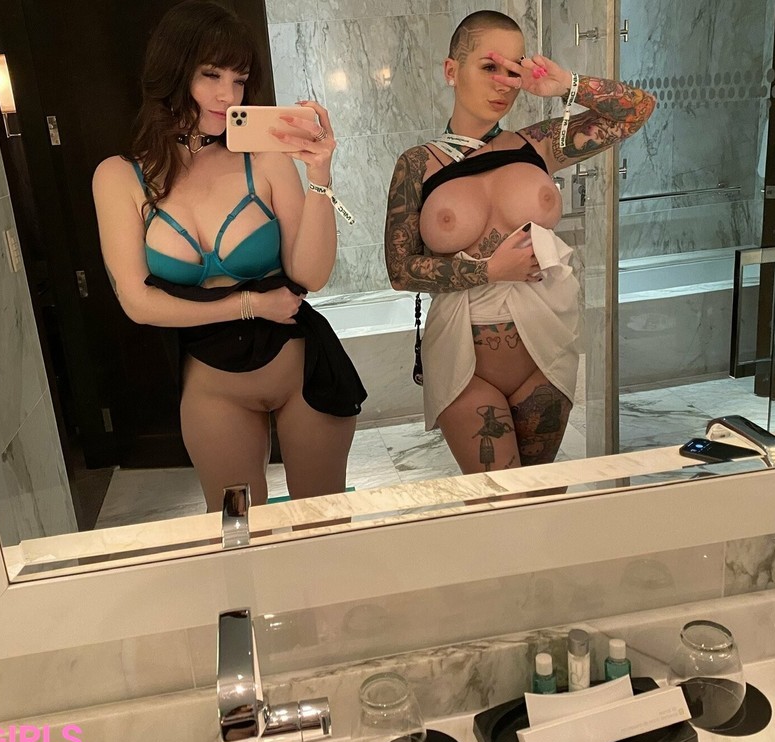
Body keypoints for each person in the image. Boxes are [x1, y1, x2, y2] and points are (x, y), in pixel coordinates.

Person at [93, 0, 364, 511]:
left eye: (239, 80)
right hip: (213, 385)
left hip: (302, 372)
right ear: (173, 72)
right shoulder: (119, 177)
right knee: (237, 528)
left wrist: (319, 176)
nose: (228, 95)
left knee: (323, 520)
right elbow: (138, 302)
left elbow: (312, 274)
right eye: (211, 74)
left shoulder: (264, 158)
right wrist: (249, 304)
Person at [384, 11, 655, 474]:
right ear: (451, 70)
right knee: (497, 501)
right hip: (464, 363)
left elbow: (638, 109)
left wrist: (564, 84)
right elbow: (399, 270)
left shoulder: (538, 145)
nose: (504, 84)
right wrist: (488, 270)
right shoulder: (418, 165)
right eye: (489, 67)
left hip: (546, 350)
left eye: (513, 70)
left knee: (543, 495)